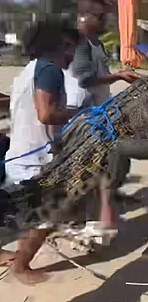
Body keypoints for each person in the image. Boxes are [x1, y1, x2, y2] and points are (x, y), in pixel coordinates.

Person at [2, 18, 81, 285]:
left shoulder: (28, 70)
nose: (71, 54)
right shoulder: (50, 70)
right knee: (47, 214)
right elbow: (46, 114)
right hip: (33, 161)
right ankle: (21, 267)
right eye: (68, 46)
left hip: (21, 155)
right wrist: (78, 114)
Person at [73, 0, 143, 244]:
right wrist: (118, 75)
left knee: (113, 162)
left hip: (101, 109)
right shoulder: (79, 44)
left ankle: (100, 207)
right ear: (86, 16)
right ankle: (89, 220)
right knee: (97, 168)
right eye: (101, 17)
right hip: (85, 114)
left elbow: (100, 78)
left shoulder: (96, 43)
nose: (105, 23)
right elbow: (84, 79)